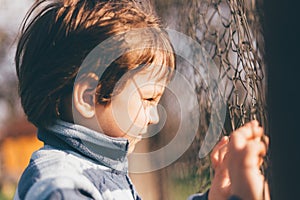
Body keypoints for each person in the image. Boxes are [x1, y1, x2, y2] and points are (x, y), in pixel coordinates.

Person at [13, 0, 270, 199]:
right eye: (148, 98)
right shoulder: (62, 185)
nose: (155, 117)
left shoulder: (96, 171)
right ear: (88, 96)